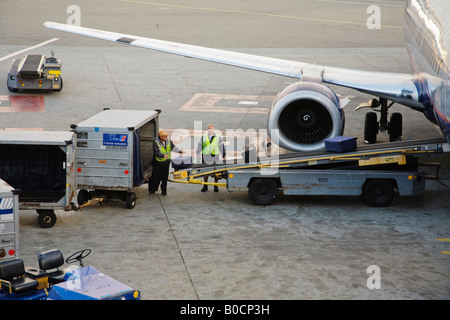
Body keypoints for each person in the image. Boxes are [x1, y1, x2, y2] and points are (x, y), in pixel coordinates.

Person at [149, 130, 183, 195]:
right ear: (161, 137)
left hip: (166, 163)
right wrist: (163, 156)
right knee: (156, 177)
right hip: (158, 163)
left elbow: (173, 147)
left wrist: (179, 151)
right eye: (165, 136)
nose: (167, 137)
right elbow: (156, 152)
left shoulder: (168, 141)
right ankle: (154, 189)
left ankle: (164, 191)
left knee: (165, 178)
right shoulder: (156, 143)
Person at [196, 124, 226, 192]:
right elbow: (200, 145)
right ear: (207, 130)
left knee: (216, 172)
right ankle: (205, 185)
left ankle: (215, 186)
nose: (210, 129)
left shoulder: (218, 137)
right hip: (206, 156)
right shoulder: (204, 137)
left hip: (215, 157)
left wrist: (223, 155)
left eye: (211, 128)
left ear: (213, 129)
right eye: (209, 128)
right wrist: (197, 152)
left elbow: (221, 146)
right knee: (205, 172)